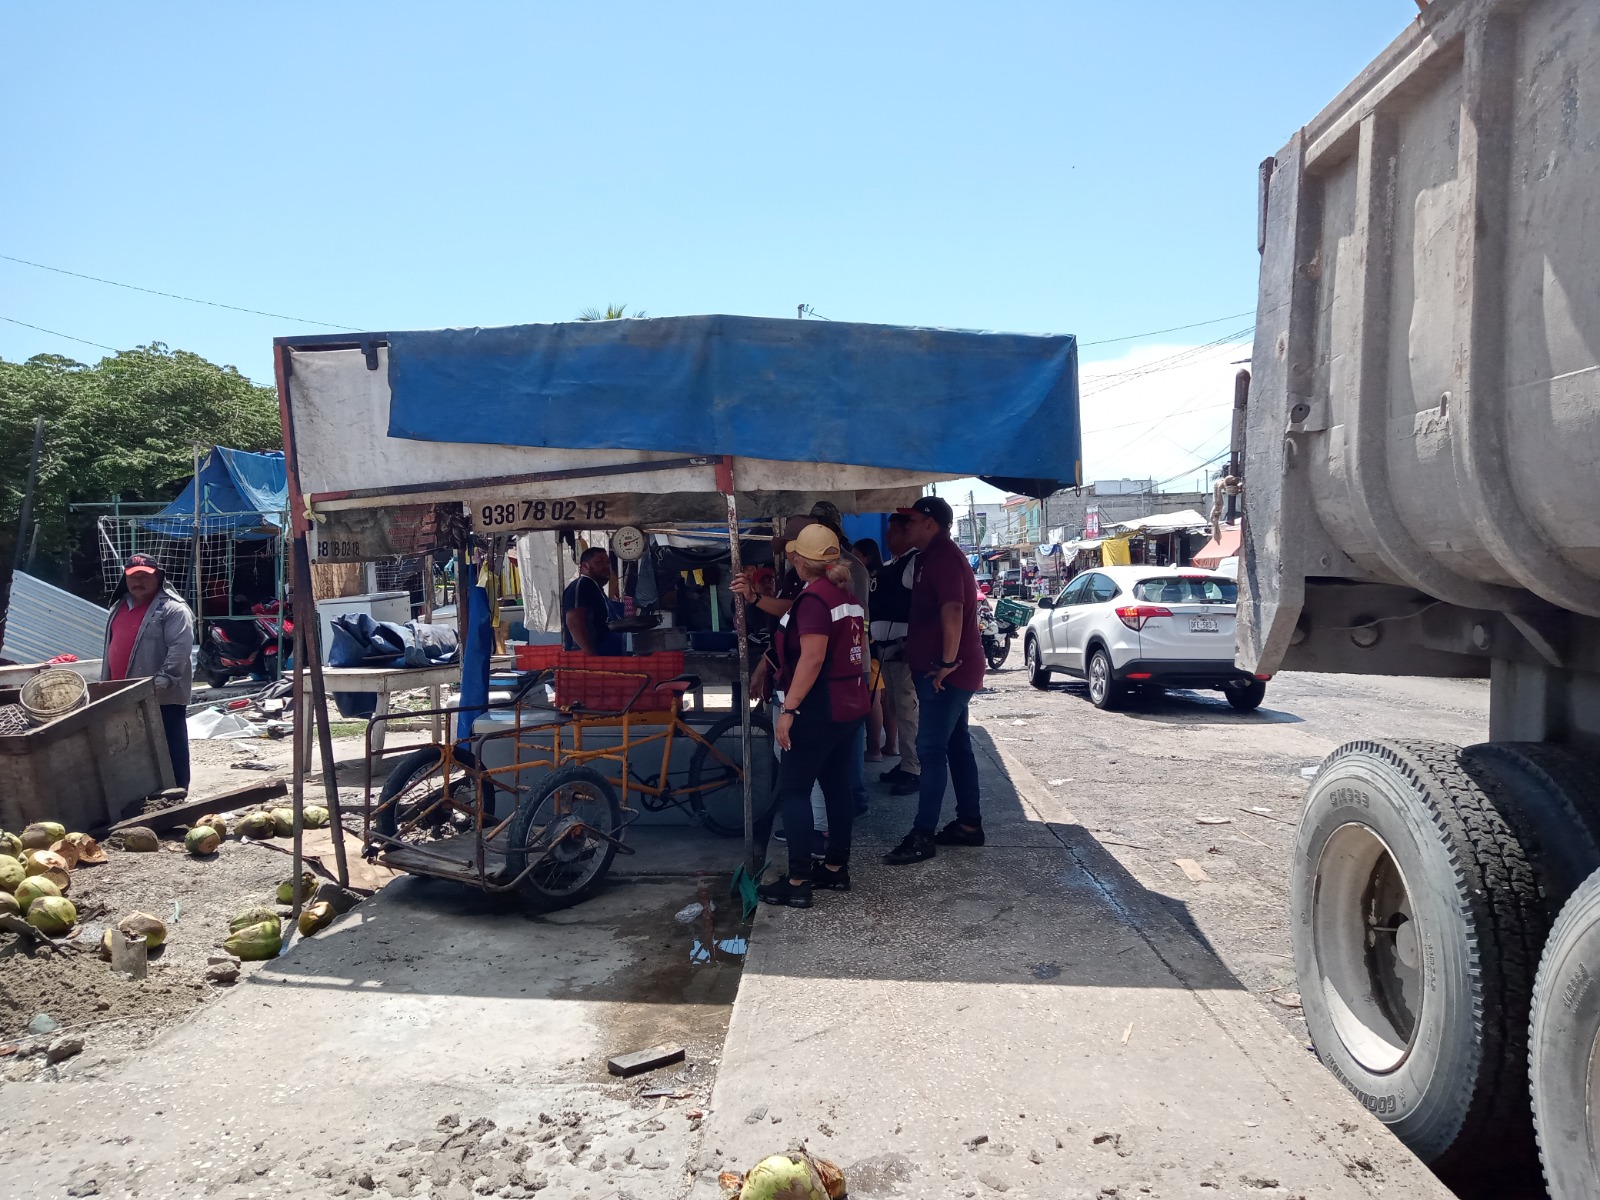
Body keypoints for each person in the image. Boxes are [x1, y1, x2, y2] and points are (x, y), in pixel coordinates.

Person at [757, 524, 869, 909]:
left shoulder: (814, 601)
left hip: (818, 705)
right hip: (849, 705)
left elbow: (813, 657)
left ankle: (798, 880)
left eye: (793, 555)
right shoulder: (846, 595)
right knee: (837, 786)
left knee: (794, 789)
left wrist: (788, 710)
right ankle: (836, 868)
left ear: (802, 562)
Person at [883, 496, 986, 865]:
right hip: (943, 670)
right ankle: (969, 825)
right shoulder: (927, 556)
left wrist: (946, 661)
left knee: (930, 752)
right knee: (957, 747)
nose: (904, 527)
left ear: (930, 523)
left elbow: (954, 609)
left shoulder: (943, 556)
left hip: (945, 675)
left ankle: (922, 834)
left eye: (910, 521)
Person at [101, 553, 195, 792]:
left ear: (158, 577)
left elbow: (180, 649)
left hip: (161, 693)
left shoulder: (172, 609)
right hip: (124, 693)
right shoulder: (119, 606)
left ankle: (177, 794)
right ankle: (144, 794)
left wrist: (162, 681)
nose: (138, 582)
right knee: (135, 747)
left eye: (145, 576)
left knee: (170, 744)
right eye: (133, 576)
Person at [871, 513, 921, 794]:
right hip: (886, 649)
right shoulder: (893, 565)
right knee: (895, 706)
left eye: (893, 533)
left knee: (907, 710)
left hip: (903, 648)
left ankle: (914, 768)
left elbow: (922, 607)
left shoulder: (915, 563)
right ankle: (905, 763)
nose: (888, 538)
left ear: (907, 533)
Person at [562, 547, 624, 655]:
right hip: (587, 661)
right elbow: (573, 621)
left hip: (607, 656)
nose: (606, 566)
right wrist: (591, 654)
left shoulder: (597, 589)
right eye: (599, 562)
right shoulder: (583, 585)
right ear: (585, 566)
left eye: (607, 562)